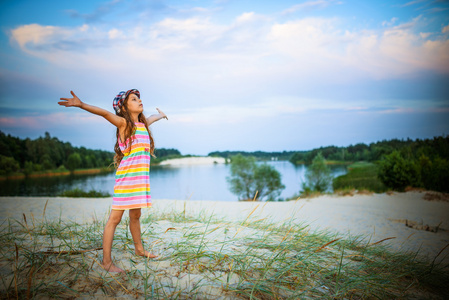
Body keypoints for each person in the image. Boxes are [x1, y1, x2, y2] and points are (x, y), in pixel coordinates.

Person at [58, 89, 168, 273]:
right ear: (124, 107)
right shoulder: (123, 123)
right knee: (114, 219)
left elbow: (151, 118)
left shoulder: (142, 124)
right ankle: (106, 262)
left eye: (139, 98)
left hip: (139, 181)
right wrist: (81, 104)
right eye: (134, 99)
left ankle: (139, 249)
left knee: (136, 216)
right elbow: (104, 113)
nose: (139, 101)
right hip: (126, 181)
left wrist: (161, 115)